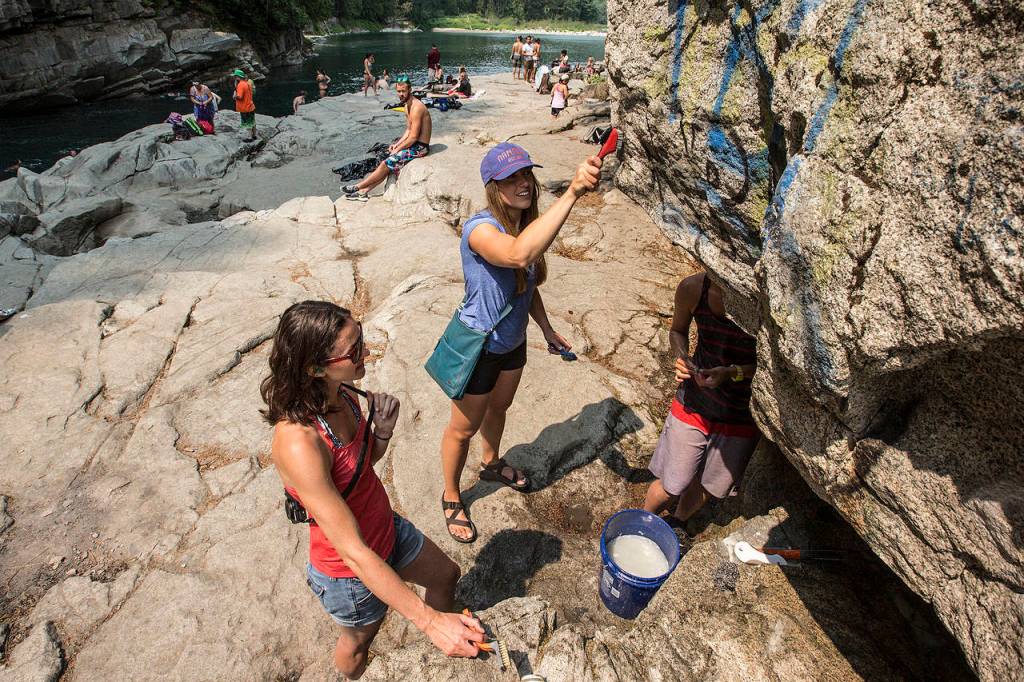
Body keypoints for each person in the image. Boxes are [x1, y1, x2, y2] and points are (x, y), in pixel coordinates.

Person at [263, 301, 485, 678]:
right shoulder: (299, 443)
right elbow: (352, 552)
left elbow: (359, 470)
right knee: (359, 641)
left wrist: (380, 430)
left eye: (361, 336)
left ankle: (448, 643)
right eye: (355, 349)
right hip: (348, 573)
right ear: (315, 368)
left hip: (385, 527)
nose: (367, 351)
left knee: (446, 575)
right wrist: (429, 622)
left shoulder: (345, 392)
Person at [437, 144, 602, 543]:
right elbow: (516, 257)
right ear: (494, 186)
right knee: (463, 427)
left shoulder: (522, 228)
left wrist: (545, 328)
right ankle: (452, 494)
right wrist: (573, 191)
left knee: (500, 407)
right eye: (511, 177)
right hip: (480, 346)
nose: (523, 182)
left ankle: (491, 462)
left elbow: (524, 285)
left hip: (513, 343)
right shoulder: (480, 230)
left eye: (526, 174)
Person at [643, 272, 759, 541]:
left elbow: (773, 368)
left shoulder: (762, 302)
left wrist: (732, 373)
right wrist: (682, 358)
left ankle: (678, 521)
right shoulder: (694, 289)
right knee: (673, 482)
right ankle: (642, 522)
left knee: (709, 482)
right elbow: (677, 331)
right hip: (694, 403)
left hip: (741, 414)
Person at [341, 77, 431, 201]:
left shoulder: (417, 108)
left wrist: (398, 149)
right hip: (413, 143)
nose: (401, 94)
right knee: (388, 159)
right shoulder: (406, 106)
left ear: (410, 89)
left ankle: (357, 187)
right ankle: (364, 192)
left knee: (387, 162)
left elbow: (414, 137)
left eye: (403, 91)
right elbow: (409, 130)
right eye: (398, 91)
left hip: (420, 147)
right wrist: (397, 144)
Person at [232, 68, 256, 141]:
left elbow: (240, 97)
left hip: (244, 107)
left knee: (247, 122)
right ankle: (254, 135)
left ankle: (249, 138)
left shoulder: (241, 85)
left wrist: (234, 96)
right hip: (251, 106)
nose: (234, 78)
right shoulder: (247, 83)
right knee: (252, 121)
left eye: (235, 76)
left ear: (237, 76)